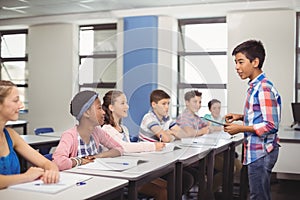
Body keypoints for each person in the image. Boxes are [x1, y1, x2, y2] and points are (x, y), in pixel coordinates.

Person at [224, 40, 281, 200]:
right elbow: (262, 114)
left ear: (255, 62)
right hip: (257, 150)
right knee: (259, 194)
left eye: (241, 62)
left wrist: (240, 128)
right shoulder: (255, 86)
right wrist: (240, 116)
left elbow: (271, 125)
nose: (237, 67)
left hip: (261, 152)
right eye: (235, 62)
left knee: (258, 196)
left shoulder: (263, 88)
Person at [101, 90, 167, 200]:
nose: (127, 106)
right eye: (122, 103)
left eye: (126, 103)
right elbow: (124, 148)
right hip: (119, 175)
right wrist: (153, 146)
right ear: (111, 107)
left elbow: (130, 151)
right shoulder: (106, 129)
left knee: (166, 185)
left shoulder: (124, 129)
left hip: (130, 170)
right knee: (162, 192)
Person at [0, 80, 59, 189]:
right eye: (15, 100)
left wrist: (52, 171)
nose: (21, 105)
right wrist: (26, 176)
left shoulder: (11, 135)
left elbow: (46, 163)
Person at [139, 89, 194, 195]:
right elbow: (166, 139)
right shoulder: (149, 118)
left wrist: (168, 133)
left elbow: (182, 134)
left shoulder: (166, 118)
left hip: (161, 159)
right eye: (163, 104)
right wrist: (171, 133)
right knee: (185, 179)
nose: (167, 107)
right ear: (154, 104)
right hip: (149, 163)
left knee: (188, 177)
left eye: (168, 103)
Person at [52, 90, 123, 171]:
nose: (103, 112)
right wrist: (80, 161)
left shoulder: (97, 132)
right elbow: (58, 162)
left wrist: (97, 156)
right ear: (86, 112)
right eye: (99, 108)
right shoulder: (69, 136)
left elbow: (119, 148)